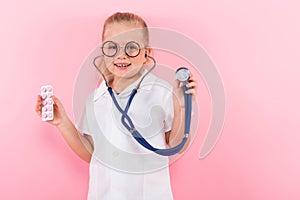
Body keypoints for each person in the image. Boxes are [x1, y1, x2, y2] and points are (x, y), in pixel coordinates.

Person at [35, 12, 197, 200]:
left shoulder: (161, 92)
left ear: (147, 54)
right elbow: (90, 152)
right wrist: (62, 122)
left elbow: (176, 145)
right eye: (112, 47)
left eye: (131, 47)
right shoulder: (96, 98)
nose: (121, 55)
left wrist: (180, 106)